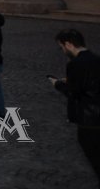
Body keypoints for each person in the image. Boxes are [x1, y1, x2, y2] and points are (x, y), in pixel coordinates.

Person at [50, 28, 100, 181]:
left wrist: (57, 84)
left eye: (62, 47)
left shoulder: (75, 64)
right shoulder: (95, 58)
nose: (63, 51)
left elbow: (73, 92)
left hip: (89, 118)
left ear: (69, 44)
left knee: (95, 157)